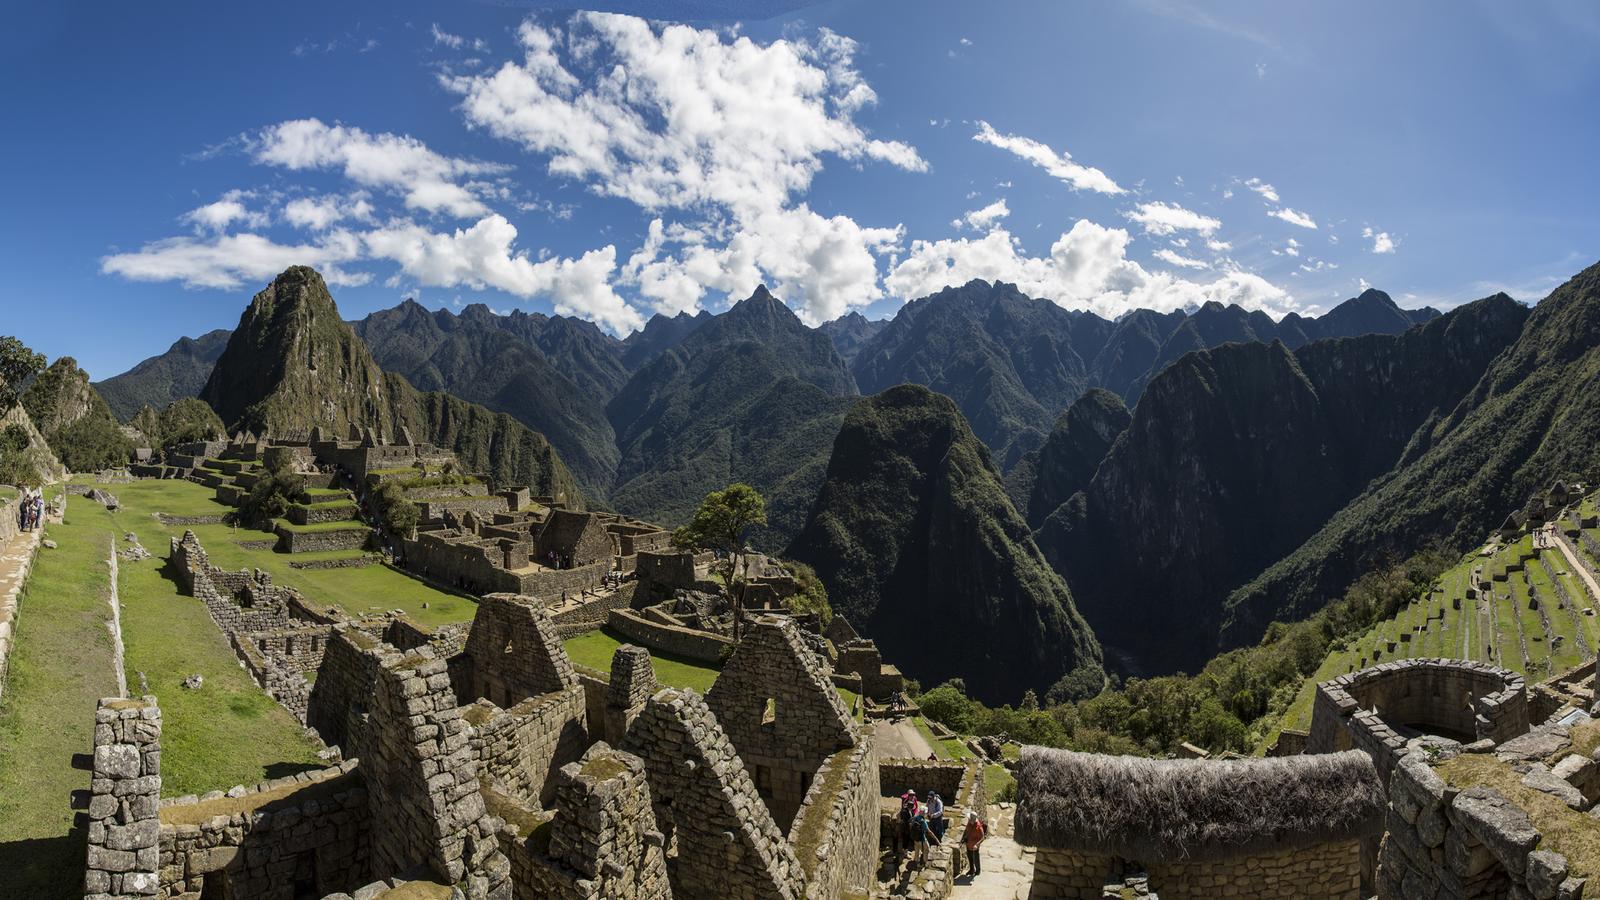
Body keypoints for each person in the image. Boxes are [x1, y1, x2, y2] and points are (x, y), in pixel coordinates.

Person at [961, 809, 986, 878]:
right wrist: (965, 838)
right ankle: (971, 870)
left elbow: (983, 837)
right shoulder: (969, 823)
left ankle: (977, 871)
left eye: (969, 819)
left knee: (976, 859)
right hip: (969, 844)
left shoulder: (979, 827)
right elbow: (967, 831)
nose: (968, 820)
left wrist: (977, 844)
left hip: (975, 846)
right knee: (970, 858)